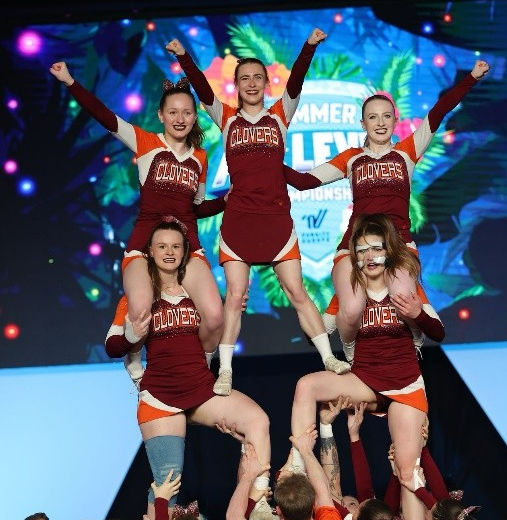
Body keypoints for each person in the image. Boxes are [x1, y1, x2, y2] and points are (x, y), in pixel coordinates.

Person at [166, 28, 351, 396]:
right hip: (239, 224)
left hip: (277, 223)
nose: (251, 83)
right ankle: (225, 372)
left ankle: (329, 358)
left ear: (267, 83)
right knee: (235, 298)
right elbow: (202, 89)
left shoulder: (280, 115)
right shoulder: (227, 119)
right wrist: (183, 56)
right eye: (244, 78)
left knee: (297, 292)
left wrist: (309, 46)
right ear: (236, 85)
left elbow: (297, 82)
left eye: (257, 77)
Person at [282, 60, 490, 357]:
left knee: (403, 299)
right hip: (355, 245)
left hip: (398, 245)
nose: (380, 123)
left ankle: (410, 348)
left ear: (395, 120)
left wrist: (471, 78)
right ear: (362, 124)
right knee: (348, 312)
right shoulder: (352, 159)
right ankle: (350, 349)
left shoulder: (407, 153)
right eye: (372, 117)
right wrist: (264, 164)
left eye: (386, 116)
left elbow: (439, 111)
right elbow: (304, 182)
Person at [49, 61, 225, 357]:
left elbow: (195, 208)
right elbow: (104, 116)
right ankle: (132, 350)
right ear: (161, 115)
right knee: (142, 314)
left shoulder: (200, 158)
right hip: (144, 245)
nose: (180, 119)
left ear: (195, 117)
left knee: (215, 317)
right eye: (173, 112)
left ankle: (201, 368)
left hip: (187, 247)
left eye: (186, 112)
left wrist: (225, 201)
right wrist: (70, 81)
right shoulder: (146, 142)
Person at [105, 218, 270, 520]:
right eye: (162, 246)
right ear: (150, 252)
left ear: (184, 253)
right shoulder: (136, 298)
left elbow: (220, 327)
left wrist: (234, 308)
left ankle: (257, 509)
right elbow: (112, 346)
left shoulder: (198, 295)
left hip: (201, 391)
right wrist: (131, 334)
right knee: (167, 484)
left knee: (257, 422)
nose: (169, 252)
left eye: (176, 247)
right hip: (161, 400)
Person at [289, 214, 445, 520]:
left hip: (405, 385)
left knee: (407, 470)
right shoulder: (349, 292)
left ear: (389, 250)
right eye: (361, 251)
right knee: (306, 385)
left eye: (376, 248)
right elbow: (317, 333)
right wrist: (301, 305)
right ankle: (297, 463)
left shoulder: (405, 287)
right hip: (364, 380)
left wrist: (418, 313)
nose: (369, 257)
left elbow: (438, 332)